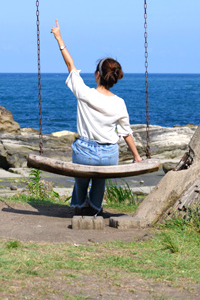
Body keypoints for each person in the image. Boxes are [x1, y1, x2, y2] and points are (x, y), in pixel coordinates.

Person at [50, 20, 142, 216]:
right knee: (100, 177)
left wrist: (59, 37)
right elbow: (126, 133)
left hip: (85, 152)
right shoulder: (120, 103)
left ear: (97, 75)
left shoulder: (84, 93)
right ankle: (94, 207)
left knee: (81, 177)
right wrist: (136, 156)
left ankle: (79, 205)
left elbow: (70, 65)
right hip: (109, 155)